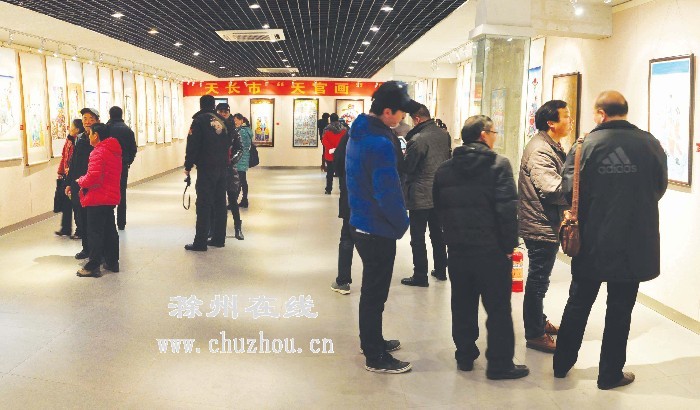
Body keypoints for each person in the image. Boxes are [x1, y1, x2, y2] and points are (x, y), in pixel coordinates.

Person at [554, 91, 667, 390]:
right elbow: (658, 187)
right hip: (634, 240)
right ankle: (609, 375)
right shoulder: (650, 144)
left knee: (579, 302)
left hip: (591, 238)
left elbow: (567, 190)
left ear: (601, 113)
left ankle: (561, 364)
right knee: (620, 309)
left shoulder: (584, 146)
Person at [433, 114, 529, 380]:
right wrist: (510, 245)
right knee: (498, 308)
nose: (495, 137)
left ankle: (464, 356)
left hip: (458, 250)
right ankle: (499, 364)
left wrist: (452, 234)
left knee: (462, 304)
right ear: (484, 135)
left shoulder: (445, 169)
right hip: (492, 251)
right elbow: (507, 210)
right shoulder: (499, 165)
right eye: (494, 132)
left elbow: (439, 209)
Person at [346, 81, 414, 374]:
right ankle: (374, 355)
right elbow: (387, 193)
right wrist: (402, 223)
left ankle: (372, 341)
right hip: (376, 228)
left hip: (362, 222)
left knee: (372, 292)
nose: (403, 117)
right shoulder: (379, 143)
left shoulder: (359, 133)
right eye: (400, 112)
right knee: (375, 294)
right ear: (387, 111)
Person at [518, 100, 571, 353]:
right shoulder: (541, 149)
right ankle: (534, 333)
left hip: (543, 222)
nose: (570, 120)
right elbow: (551, 188)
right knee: (538, 282)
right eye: (566, 116)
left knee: (539, 280)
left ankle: (538, 322)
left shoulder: (549, 145)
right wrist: (579, 187)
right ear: (551, 122)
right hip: (540, 225)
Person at [400, 104, 451, 287]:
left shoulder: (417, 139)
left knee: (418, 237)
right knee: (438, 234)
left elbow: (409, 167)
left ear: (417, 119)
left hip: (420, 194)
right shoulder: (444, 135)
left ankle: (420, 275)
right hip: (439, 192)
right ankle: (441, 270)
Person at [183, 95, 232, 251]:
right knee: (220, 203)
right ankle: (219, 238)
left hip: (206, 168)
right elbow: (228, 142)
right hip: (222, 167)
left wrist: (188, 165)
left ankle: (200, 242)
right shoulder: (222, 121)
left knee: (203, 204)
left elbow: (193, 145)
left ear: (201, 105)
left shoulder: (199, 121)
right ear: (213, 105)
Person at [76, 123, 122, 277]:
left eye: (90, 134)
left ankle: (93, 266)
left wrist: (80, 181)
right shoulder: (114, 151)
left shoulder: (98, 152)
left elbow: (93, 177)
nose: (88, 136)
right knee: (110, 231)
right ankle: (112, 262)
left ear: (96, 135)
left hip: (97, 197)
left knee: (95, 233)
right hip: (109, 197)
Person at [65, 108, 98, 258]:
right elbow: (74, 162)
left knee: (94, 220)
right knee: (81, 217)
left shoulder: (100, 137)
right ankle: (86, 248)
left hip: (93, 185)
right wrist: (69, 183)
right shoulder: (80, 138)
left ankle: (97, 251)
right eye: (85, 118)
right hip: (78, 184)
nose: (87, 121)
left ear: (97, 120)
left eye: (91, 118)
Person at [106, 106, 137, 231]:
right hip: (122, 165)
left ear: (110, 115)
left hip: (108, 166)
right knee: (121, 193)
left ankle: (109, 221)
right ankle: (121, 222)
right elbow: (133, 149)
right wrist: (128, 162)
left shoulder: (106, 129)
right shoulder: (128, 130)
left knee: (107, 192)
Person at [330, 126, 353, 294]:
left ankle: (343, 281)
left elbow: (337, 160)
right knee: (376, 243)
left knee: (347, 238)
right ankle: (374, 284)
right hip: (376, 200)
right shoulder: (387, 137)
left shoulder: (350, 136)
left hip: (352, 196)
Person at [217, 104, 244, 240]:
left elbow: (240, 148)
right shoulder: (213, 128)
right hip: (216, 169)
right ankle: (215, 229)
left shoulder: (234, 130)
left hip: (230, 169)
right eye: (221, 112)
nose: (223, 114)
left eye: (225, 112)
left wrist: (232, 160)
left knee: (232, 199)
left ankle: (238, 228)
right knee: (217, 201)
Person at [55, 119, 83, 237]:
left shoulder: (80, 142)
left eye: (71, 126)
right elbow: (64, 157)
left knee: (76, 204)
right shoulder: (69, 141)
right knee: (66, 202)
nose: (69, 128)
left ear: (77, 129)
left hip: (75, 176)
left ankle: (80, 230)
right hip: (67, 175)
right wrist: (60, 171)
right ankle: (65, 228)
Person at [321, 113, 347, 194]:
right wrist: (339, 149)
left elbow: (324, 141)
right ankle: (342, 189)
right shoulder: (344, 129)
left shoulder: (326, 129)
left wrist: (331, 148)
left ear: (330, 119)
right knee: (341, 173)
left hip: (330, 154)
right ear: (338, 119)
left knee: (330, 172)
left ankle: (328, 189)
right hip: (341, 154)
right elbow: (346, 141)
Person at [235, 114, 253, 209]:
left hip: (240, 158)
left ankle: (236, 201)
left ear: (241, 120)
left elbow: (238, 144)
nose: (234, 122)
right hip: (244, 156)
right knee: (242, 180)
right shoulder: (247, 130)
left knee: (240, 180)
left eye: (236, 120)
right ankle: (244, 200)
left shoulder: (241, 131)